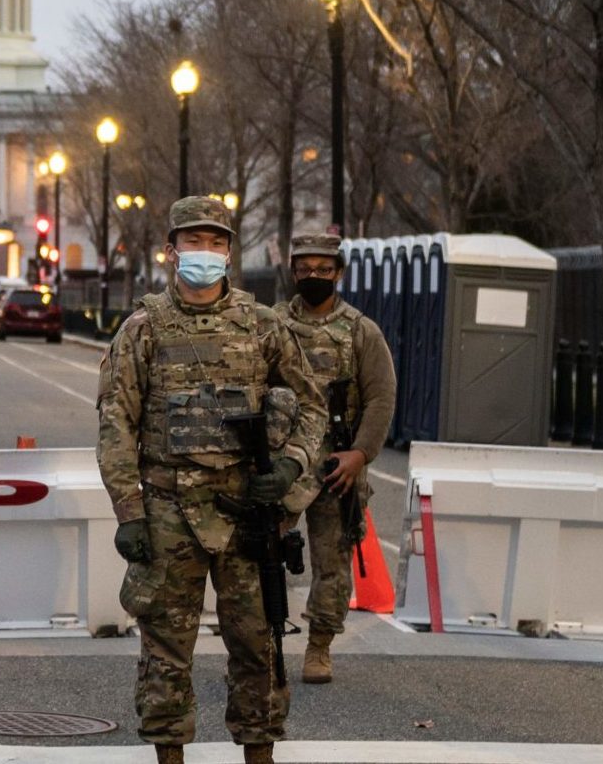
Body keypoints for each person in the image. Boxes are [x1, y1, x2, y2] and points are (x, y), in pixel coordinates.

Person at [98, 196, 329, 764]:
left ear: (230, 252)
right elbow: (116, 424)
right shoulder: (143, 329)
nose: (206, 253)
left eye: (217, 242)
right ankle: (169, 755)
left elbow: (313, 407)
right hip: (169, 511)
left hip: (246, 509)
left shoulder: (263, 325)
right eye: (194, 243)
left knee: (258, 644)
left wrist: (290, 468)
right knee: (166, 648)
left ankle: (260, 753)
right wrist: (129, 511)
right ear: (171, 252)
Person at [277, 233, 397, 684]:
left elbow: (381, 399)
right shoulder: (273, 326)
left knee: (333, 563)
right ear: (293, 271)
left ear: (339, 273)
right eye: (305, 268)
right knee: (259, 558)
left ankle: (319, 648)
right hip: (283, 467)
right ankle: (264, 644)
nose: (313, 276)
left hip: (336, 468)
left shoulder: (361, 331)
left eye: (323, 269)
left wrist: (359, 455)